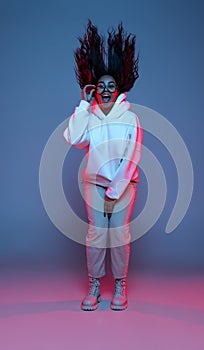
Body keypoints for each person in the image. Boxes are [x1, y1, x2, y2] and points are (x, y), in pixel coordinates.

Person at [63, 20, 142, 311]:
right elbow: (73, 139)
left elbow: (132, 158)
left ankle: (120, 284)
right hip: (93, 182)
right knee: (97, 233)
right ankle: (94, 285)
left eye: (111, 86)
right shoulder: (91, 114)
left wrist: (114, 192)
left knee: (119, 234)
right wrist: (83, 105)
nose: (105, 90)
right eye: (100, 86)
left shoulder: (130, 119)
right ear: (94, 89)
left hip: (123, 184)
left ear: (119, 87)